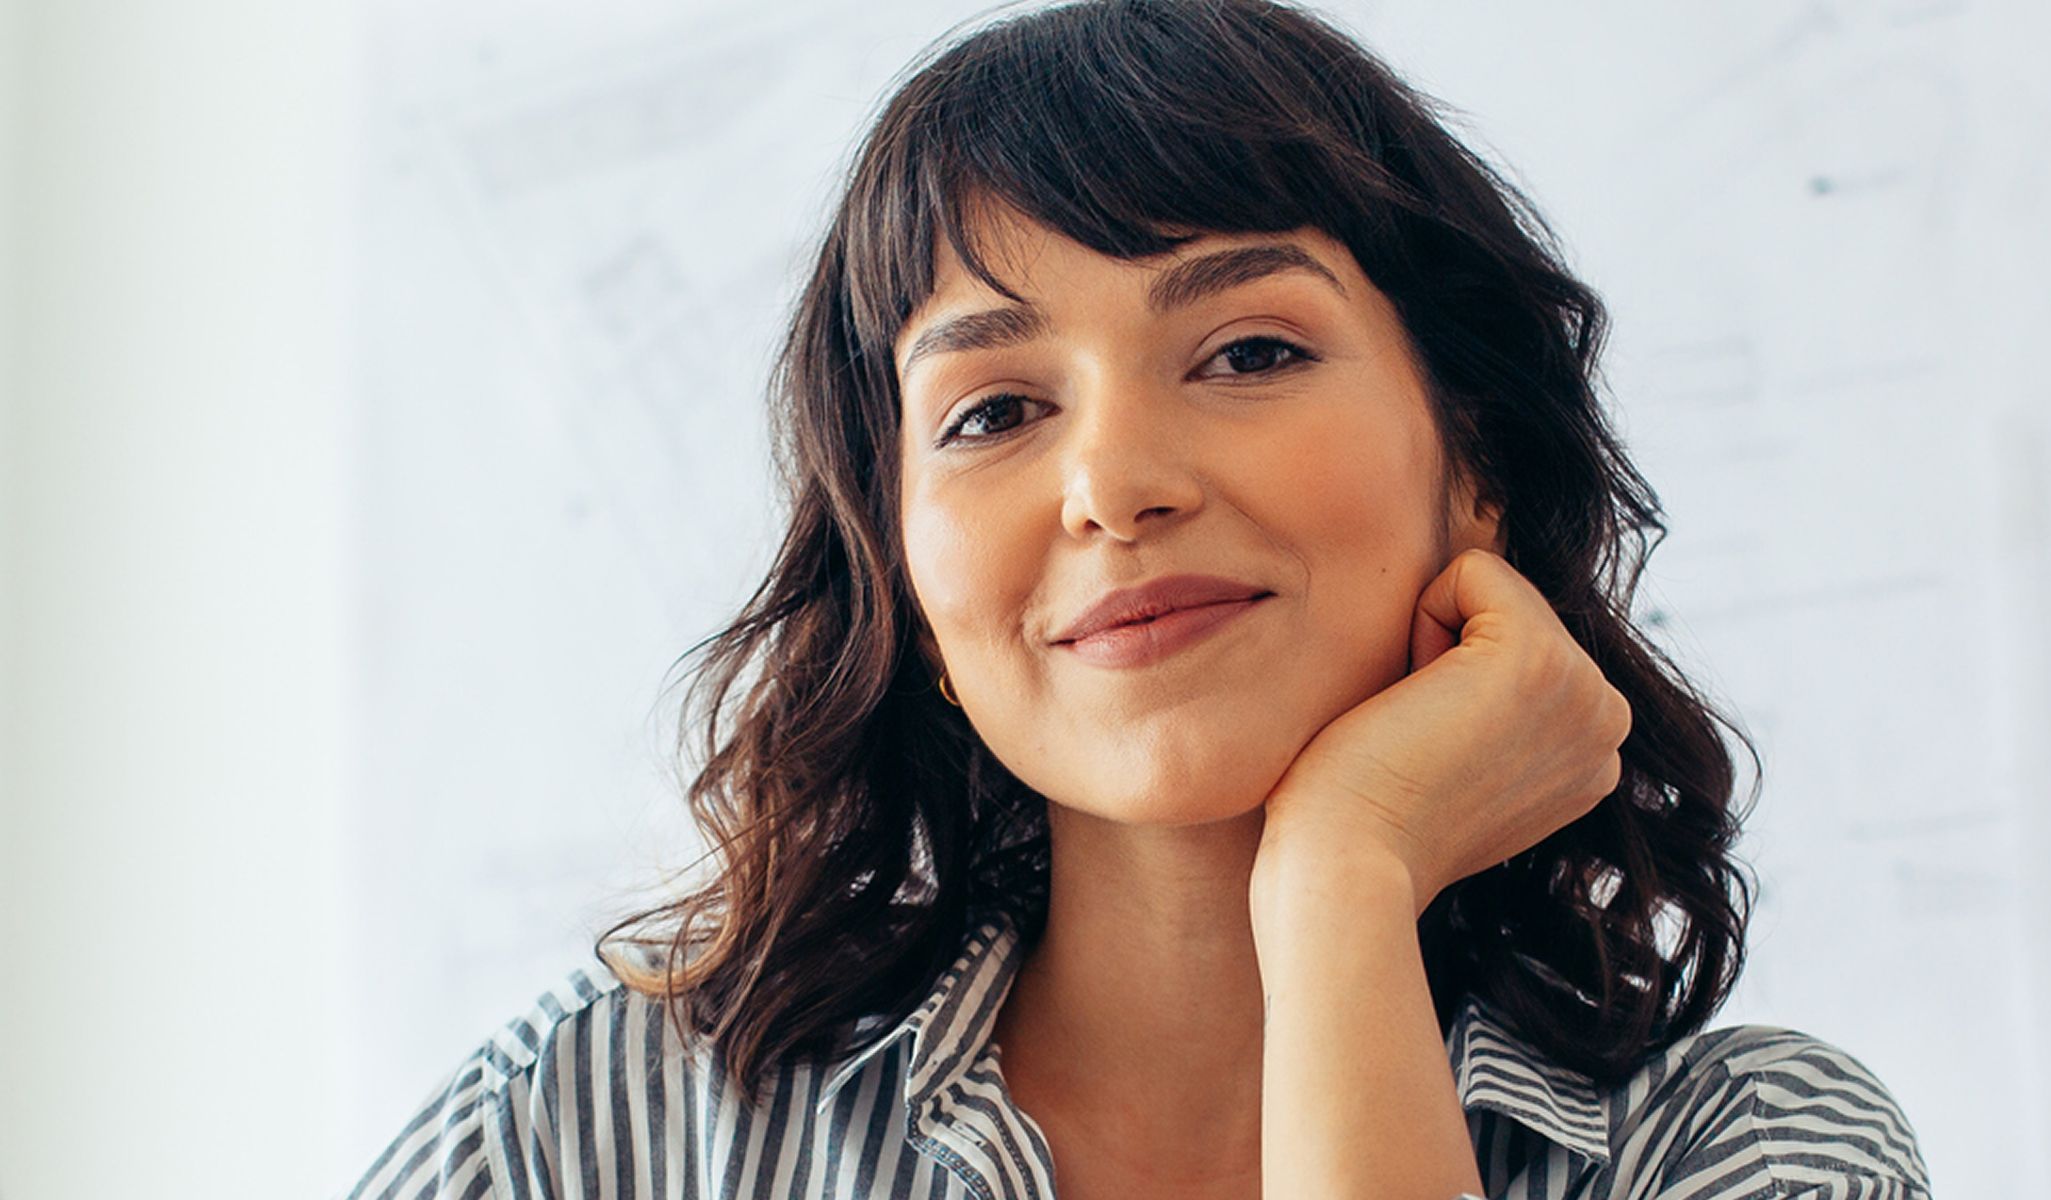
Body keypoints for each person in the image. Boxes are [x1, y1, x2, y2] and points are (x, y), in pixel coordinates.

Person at [343, 1, 1934, 1197]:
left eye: (1249, 352)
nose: (1112, 484)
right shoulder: (603, 1121)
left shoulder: (1747, 1151)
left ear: (1479, 464)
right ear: (904, 573)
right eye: (993, 413)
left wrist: (1343, 890)